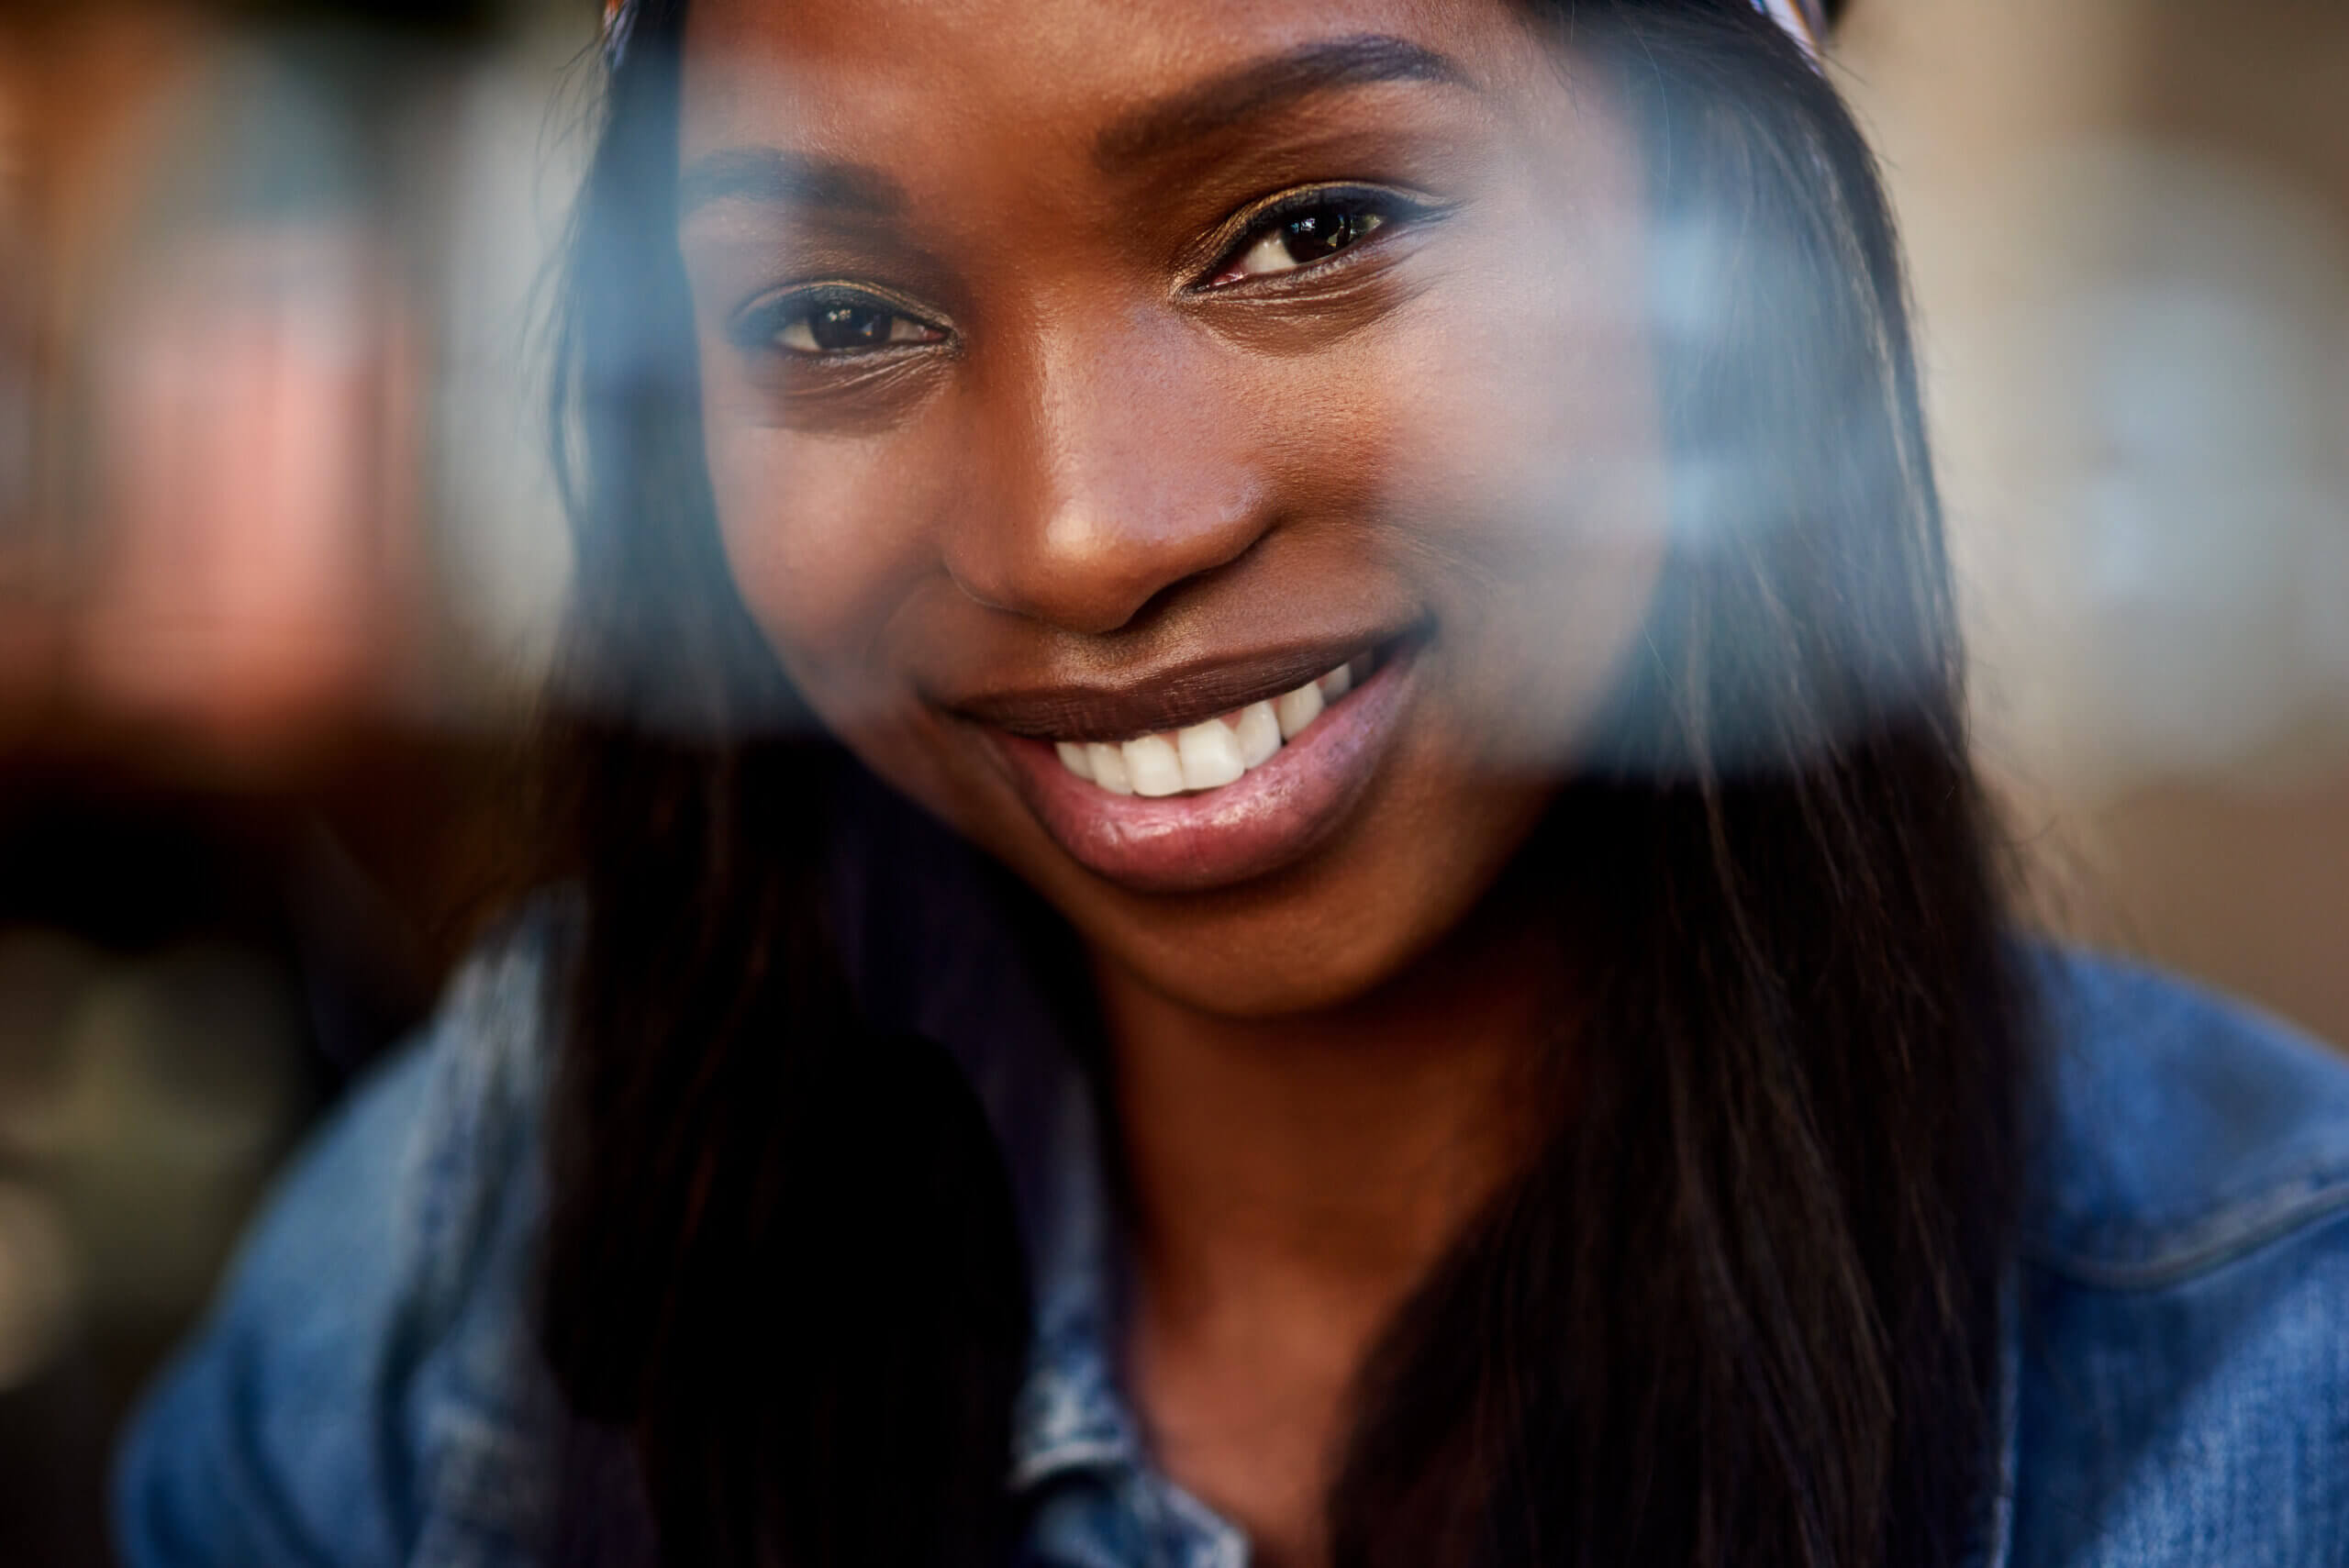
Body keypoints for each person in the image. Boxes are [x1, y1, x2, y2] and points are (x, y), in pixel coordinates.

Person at [113, 0, 2349, 1564]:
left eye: (1305, 228)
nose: (1081, 534)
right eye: (827, 322)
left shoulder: (2275, 1385)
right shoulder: (478, 1250)